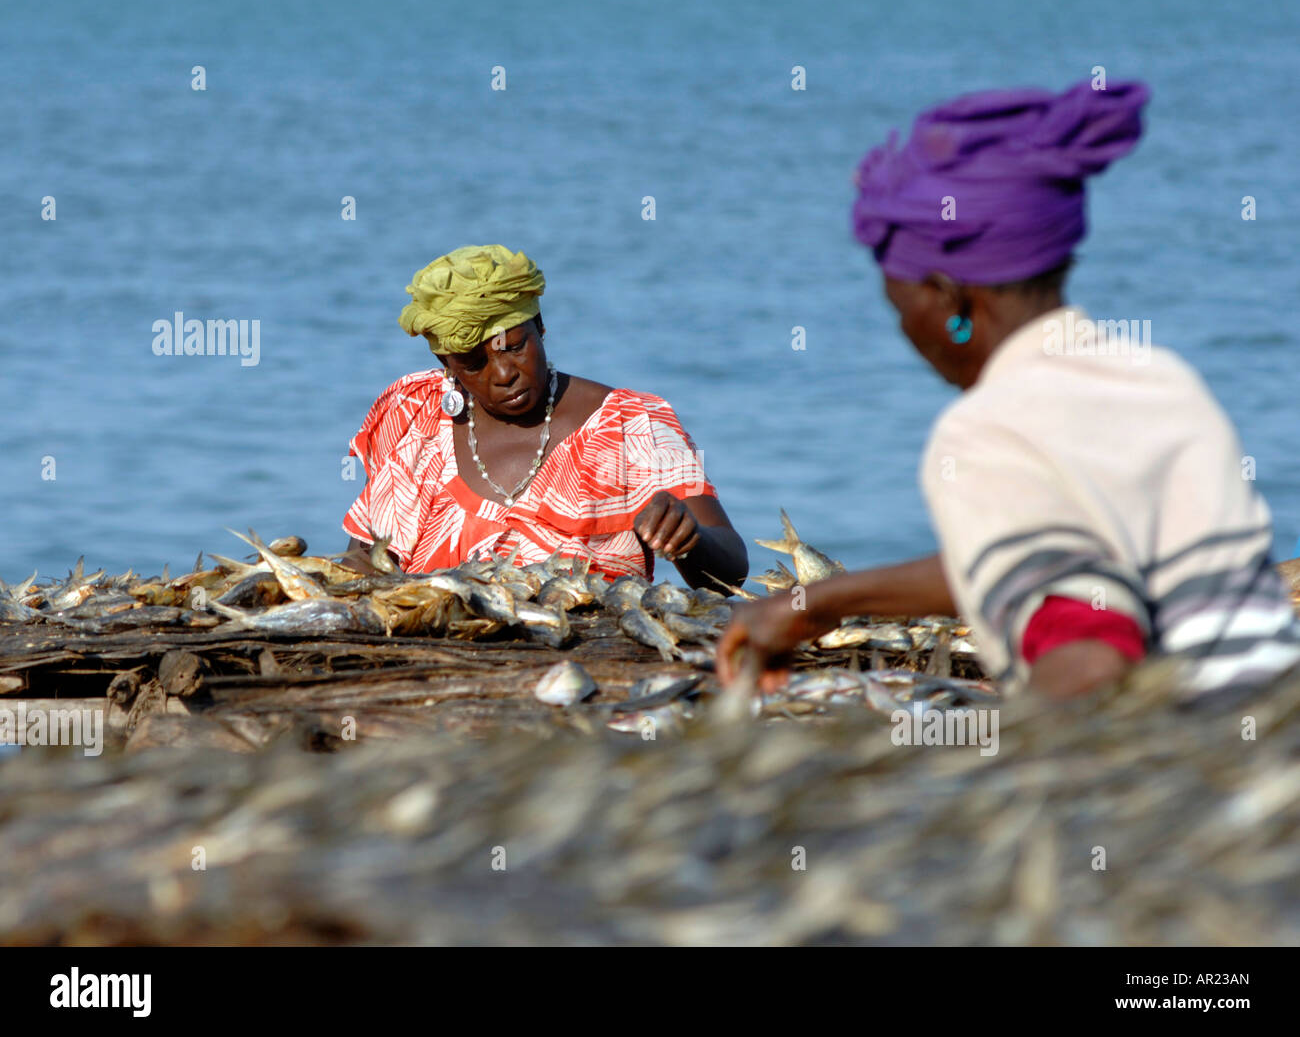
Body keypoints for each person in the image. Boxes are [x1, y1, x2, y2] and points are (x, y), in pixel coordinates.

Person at [718, 79, 1300, 702]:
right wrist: (820, 602)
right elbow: (1065, 557)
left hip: (1183, 755)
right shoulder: (1165, 382)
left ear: (949, 299)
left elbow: (1087, 652)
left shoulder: (990, 428)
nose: (905, 332)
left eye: (900, 307)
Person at [341, 244, 747, 588]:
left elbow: (731, 572)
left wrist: (691, 542)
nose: (503, 374)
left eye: (515, 346)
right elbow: (364, 563)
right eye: (472, 363)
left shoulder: (629, 427)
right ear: (445, 363)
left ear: (540, 325)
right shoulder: (416, 415)